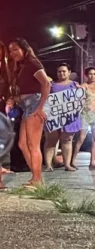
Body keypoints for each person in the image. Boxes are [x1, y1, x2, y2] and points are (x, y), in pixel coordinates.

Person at [7, 39, 50, 188]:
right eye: (10, 51)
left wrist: (40, 107)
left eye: (15, 49)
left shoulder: (33, 63)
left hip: (34, 104)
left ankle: (37, 180)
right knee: (22, 144)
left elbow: (46, 83)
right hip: (26, 106)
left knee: (33, 144)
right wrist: (14, 99)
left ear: (24, 49)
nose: (12, 53)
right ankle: (36, 177)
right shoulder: (22, 66)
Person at [43, 64, 82, 172]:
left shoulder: (75, 85)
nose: (62, 73)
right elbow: (45, 99)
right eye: (59, 71)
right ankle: (48, 165)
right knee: (51, 141)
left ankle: (67, 165)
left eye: (64, 71)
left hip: (70, 117)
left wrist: (80, 92)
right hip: (54, 117)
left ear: (69, 72)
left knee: (67, 140)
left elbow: (81, 99)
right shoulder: (51, 85)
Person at [73, 67, 95, 170]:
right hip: (85, 114)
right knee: (81, 138)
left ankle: (92, 162)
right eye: (90, 74)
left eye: (94, 74)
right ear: (86, 75)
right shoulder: (84, 86)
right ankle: (72, 161)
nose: (92, 76)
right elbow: (78, 93)